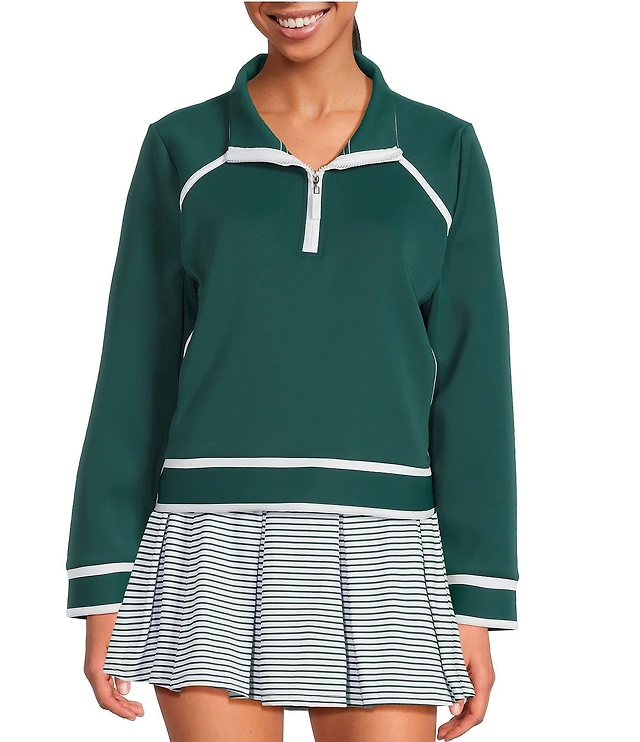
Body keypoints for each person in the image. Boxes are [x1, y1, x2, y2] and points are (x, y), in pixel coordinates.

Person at [64, 3, 518, 741]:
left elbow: (475, 388)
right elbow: (134, 374)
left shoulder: (444, 151)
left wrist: (476, 599)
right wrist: (103, 579)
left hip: (386, 547)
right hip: (208, 545)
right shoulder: (181, 147)